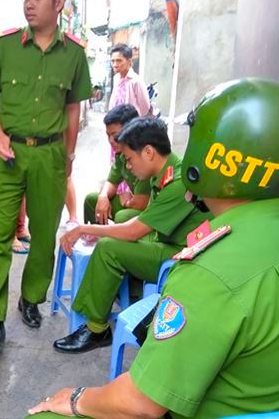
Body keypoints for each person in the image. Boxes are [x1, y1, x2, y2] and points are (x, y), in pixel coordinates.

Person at [25, 78, 279, 418]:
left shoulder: (208, 271)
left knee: (47, 415)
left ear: (212, 157)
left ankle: (96, 328)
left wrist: (75, 397)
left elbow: (142, 404)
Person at [0, 0, 92, 350]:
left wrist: (69, 153)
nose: (29, 3)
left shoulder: (74, 53)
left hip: (50, 155)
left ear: (59, 4)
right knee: (0, 238)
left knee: (43, 235)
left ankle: (31, 299)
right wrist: (0, 136)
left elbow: (73, 107)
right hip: (7, 154)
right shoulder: (5, 47)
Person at [52, 118, 212, 354]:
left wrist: (84, 229)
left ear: (148, 152)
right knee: (114, 236)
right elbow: (142, 223)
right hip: (168, 242)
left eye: (129, 159)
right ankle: (122, 294)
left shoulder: (177, 183)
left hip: (182, 259)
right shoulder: (167, 174)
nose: (127, 166)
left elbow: (134, 230)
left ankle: (97, 329)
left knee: (109, 248)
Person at [83, 104, 151, 225]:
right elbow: (111, 181)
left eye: (115, 135)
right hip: (134, 202)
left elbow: (141, 203)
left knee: (122, 217)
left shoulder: (144, 155)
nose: (110, 140)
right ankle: (94, 238)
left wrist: (127, 201)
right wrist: (103, 196)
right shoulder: (121, 154)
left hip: (150, 212)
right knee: (93, 201)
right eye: (108, 135)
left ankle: (110, 241)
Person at [108, 43, 150, 118]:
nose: (115, 64)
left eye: (119, 61)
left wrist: (133, 119)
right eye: (112, 61)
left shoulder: (136, 80)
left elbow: (145, 107)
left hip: (130, 123)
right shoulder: (116, 78)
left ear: (129, 61)